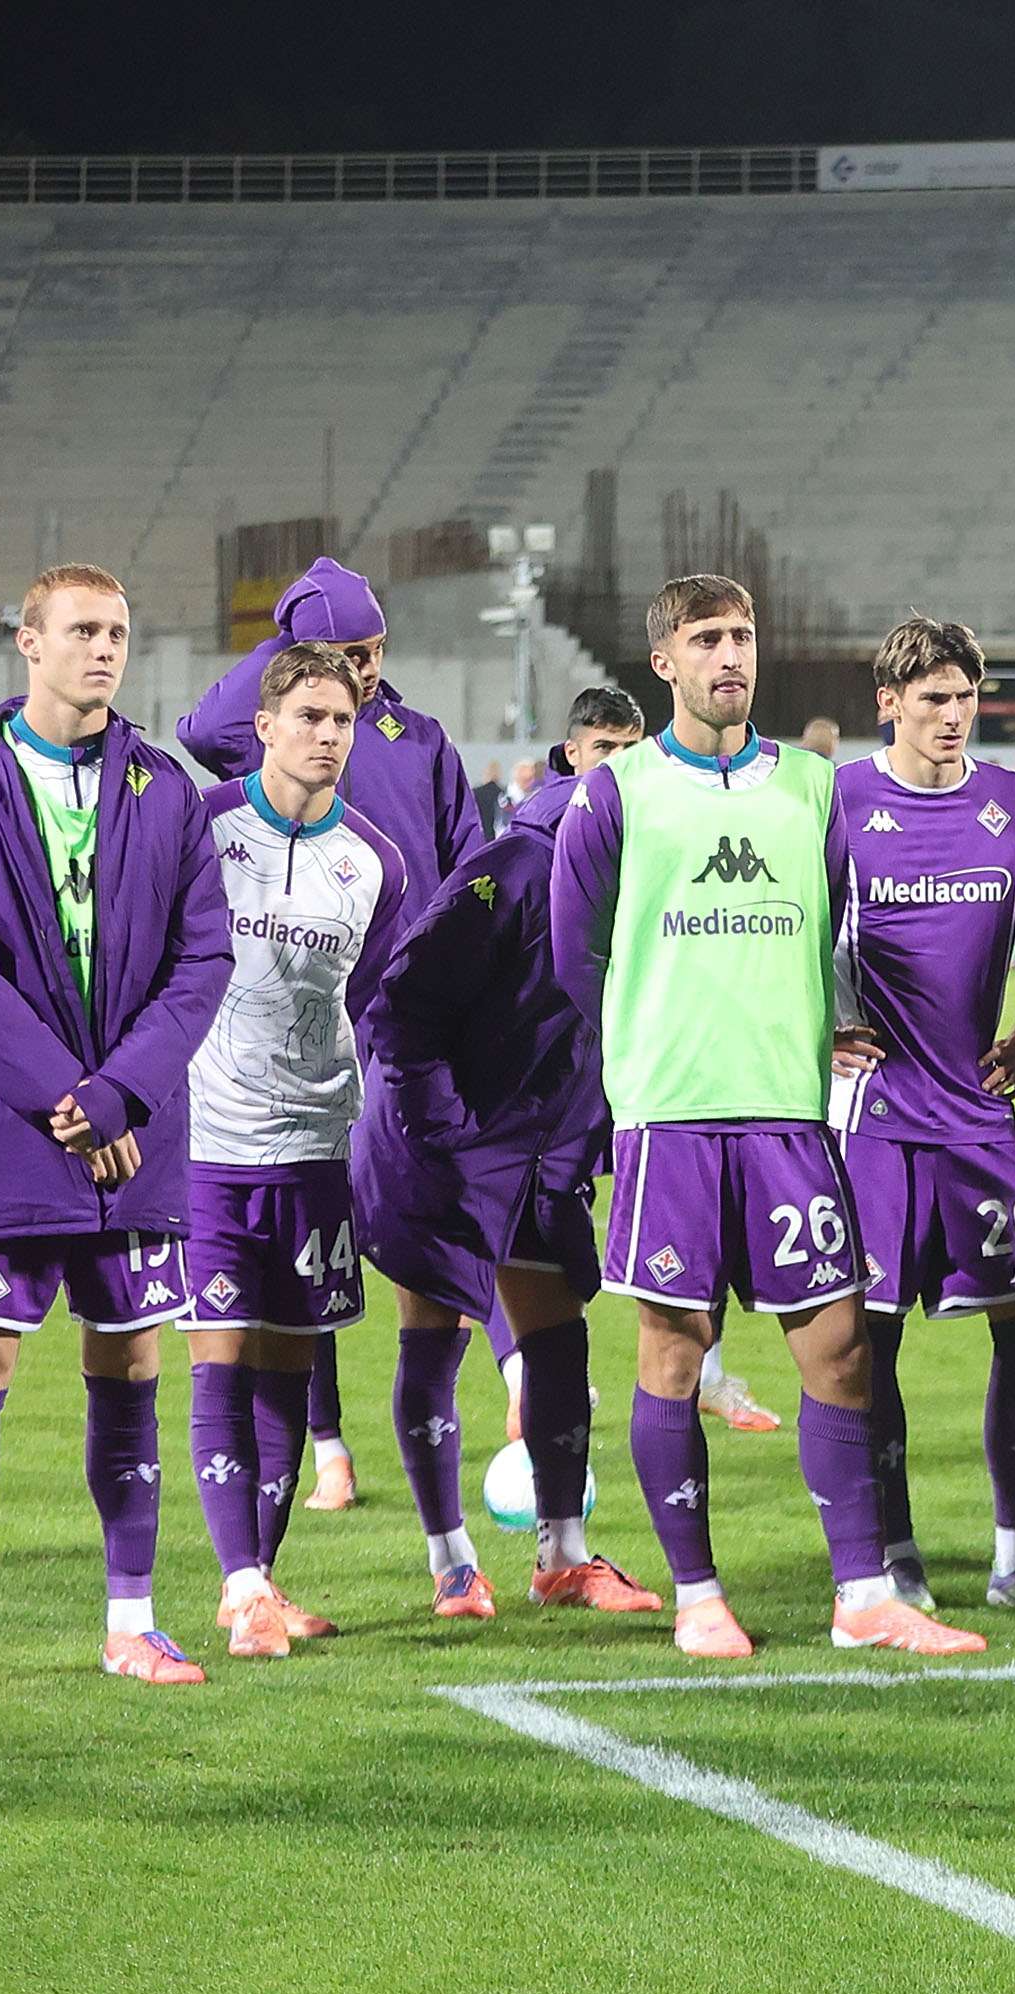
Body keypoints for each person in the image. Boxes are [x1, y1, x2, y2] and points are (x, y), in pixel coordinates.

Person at [553, 574, 973, 1659]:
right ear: (666, 664)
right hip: (674, 1115)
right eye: (706, 640)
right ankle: (697, 1597)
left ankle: (863, 1598)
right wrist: (637, 1064)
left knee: (840, 1352)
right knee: (674, 1350)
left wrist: (831, 1019)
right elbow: (574, 955)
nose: (730, 655)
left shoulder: (811, 786)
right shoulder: (618, 794)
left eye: (741, 636)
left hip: (790, 1114)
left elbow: (843, 923)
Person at [0, 564, 234, 1696]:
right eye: (83, 630)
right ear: (28, 644)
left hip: (130, 1129)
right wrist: (71, 1100)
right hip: (11, 1130)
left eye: (119, 632)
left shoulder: (166, 789)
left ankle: (132, 1622)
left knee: (134, 1360)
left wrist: (119, 1095)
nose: (105, 649)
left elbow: (204, 961)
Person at [178, 557, 486, 1513]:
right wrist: (298, 647)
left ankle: (448, 1454)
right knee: (245, 1325)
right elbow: (203, 728)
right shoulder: (234, 782)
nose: (356, 684)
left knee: (359, 1266)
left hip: (373, 1039)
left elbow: (467, 868)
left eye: (373, 659)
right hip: (228, 1099)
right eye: (346, 660)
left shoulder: (416, 740)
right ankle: (324, 1444)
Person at [351, 684, 662, 1624]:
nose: (617, 771)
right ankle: (451, 1563)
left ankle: (563, 1555)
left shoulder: (647, 868)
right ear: (572, 761)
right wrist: (438, 1130)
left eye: (630, 754)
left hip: (545, 1147)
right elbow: (401, 1004)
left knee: (558, 1338)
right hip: (445, 1139)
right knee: (434, 1337)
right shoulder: (519, 866)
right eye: (602, 752)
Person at [831, 617, 1015, 1616]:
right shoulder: (845, 802)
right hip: (878, 1121)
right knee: (872, 1341)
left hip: (980, 1116)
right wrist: (825, 1027)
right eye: (934, 699)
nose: (954, 716)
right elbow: (793, 932)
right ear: (890, 704)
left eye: (965, 697)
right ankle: (895, 1552)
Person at [176, 645, 413, 1654]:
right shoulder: (200, 830)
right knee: (219, 1367)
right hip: (206, 1148)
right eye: (309, 716)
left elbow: (378, 1007)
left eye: (343, 720)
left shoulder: (375, 861)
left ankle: (261, 1582)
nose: (328, 736)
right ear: (264, 724)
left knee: (285, 1371)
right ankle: (239, 1584)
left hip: (317, 1153)